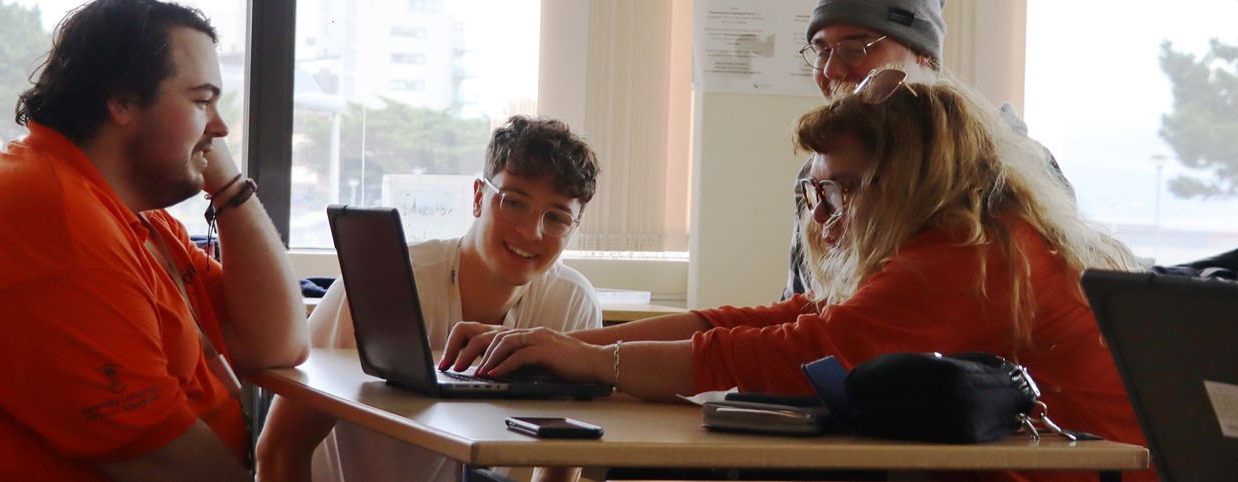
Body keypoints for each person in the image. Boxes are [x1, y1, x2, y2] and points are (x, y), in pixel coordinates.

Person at [439, 75, 1153, 482]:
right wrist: (574, 350)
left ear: (902, 181)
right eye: (816, 193)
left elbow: (797, 354)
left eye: (840, 191)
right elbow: (768, 323)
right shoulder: (960, 239)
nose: (824, 213)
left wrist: (594, 357)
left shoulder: (970, 259)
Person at [0, 0, 309, 481]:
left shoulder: (126, 216)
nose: (219, 129)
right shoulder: (58, 229)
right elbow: (180, 470)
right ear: (122, 100)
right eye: (201, 101)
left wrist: (230, 186)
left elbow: (274, 343)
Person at [256, 115, 603, 482]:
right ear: (478, 197)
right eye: (514, 203)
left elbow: (564, 458)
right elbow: (279, 450)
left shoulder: (572, 304)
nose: (531, 231)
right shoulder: (385, 286)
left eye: (557, 218)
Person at [785, 0, 1066, 298]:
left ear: (923, 59)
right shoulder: (821, 177)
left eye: (855, 49)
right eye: (822, 51)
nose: (830, 71)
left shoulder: (1012, 168)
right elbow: (806, 301)